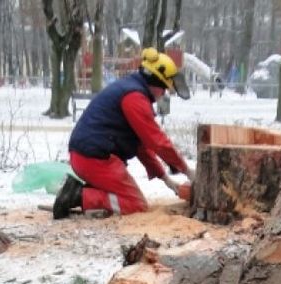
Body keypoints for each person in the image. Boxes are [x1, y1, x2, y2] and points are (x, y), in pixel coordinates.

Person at [53, 48, 194, 219]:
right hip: (95, 158)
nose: (163, 93)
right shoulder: (134, 98)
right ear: (155, 81)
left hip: (88, 155)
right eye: (163, 88)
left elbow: (142, 146)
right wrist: (186, 170)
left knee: (132, 201)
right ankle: (79, 196)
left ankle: (85, 193)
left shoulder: (130, 88)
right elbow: (157, 141)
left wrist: (166, 179)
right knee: (135, 205)